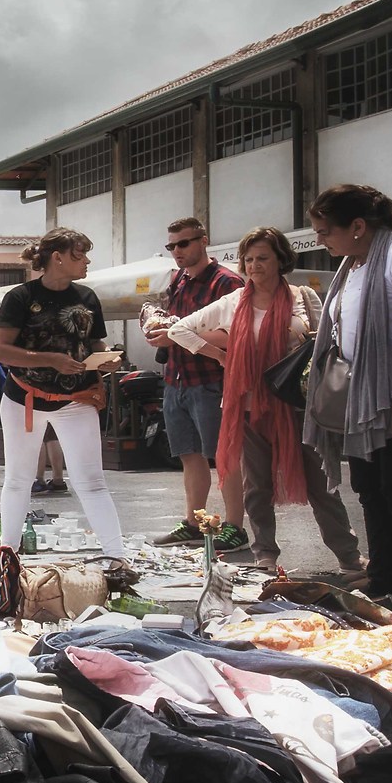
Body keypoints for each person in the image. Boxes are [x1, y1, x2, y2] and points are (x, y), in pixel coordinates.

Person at [165, 226, 362, 577]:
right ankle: (265, 556)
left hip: (300, 407)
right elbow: (178, 330)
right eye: (249, 259)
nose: (255, 265)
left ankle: (348, 556)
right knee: (256, 488)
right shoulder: (232, 303)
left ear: (280, 260)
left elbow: (325, 344)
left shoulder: (304, 297)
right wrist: (219, 356)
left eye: (263, 258)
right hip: (249, 406)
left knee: (323, 487)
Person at [303, 184, 392, 621]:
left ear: (359, 226)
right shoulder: (354, 264)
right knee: (371, 490)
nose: (322, 240)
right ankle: (384, 577)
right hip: (360, 398)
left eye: (327, 231)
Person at [0, 227, 126, 558]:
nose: (88, 261)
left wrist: (106, 358)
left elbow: (94, 343)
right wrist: (51, 360)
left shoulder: (87, 297)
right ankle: (7, 556)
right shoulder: (20, 297)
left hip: (76, 399)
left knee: (91, 482)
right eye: (81, 254)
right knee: (18, 480)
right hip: (23, 398)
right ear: (58, 258)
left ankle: (117, 558)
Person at [140, 217, 245, 547]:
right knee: (188, 455)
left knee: (224, 457)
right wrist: (161, 331)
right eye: (171, 246)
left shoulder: (226, 282)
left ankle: (235, 527)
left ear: (204, 241)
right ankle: (194, 521)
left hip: (211, 379)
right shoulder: (179, 280)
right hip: (177, 378)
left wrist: (174, 337)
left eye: (183, 244)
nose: (176, 251)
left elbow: (235, 334)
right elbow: (175, 324)